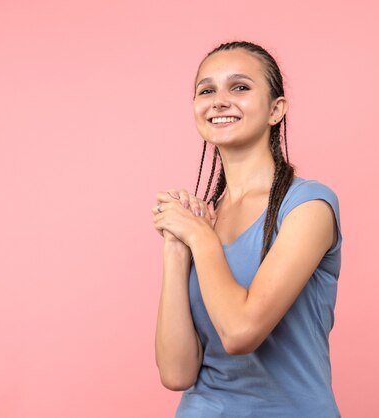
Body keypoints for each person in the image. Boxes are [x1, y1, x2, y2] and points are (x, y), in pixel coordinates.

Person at [152, 41, 342, 417]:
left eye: (239, 87)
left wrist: (201, 238)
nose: (219, 100)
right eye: (207, 90)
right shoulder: (202, 218)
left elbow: (241, 333)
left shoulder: (308, 206)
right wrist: (176, 249)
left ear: (276, 109)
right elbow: (176, 373)